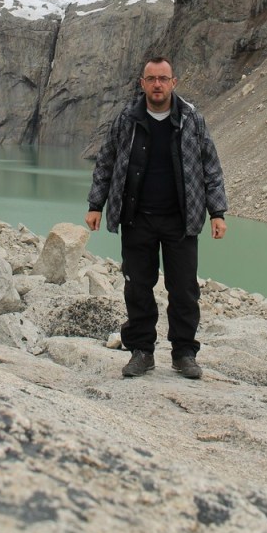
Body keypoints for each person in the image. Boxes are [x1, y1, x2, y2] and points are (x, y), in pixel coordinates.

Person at [85, 56, 228, 379]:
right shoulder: (127, 119)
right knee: (137, 287)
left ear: (173, 82)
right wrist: (96, 204)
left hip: (181, 220)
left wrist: (217, 213)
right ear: (142, 84)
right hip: (137, 218)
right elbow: (106, 162)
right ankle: (141, 351)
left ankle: (184, 353)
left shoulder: (192, 119)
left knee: (184, 290)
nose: (157, 85)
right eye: (151, 79)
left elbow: (211, 167)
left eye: (163, 79)